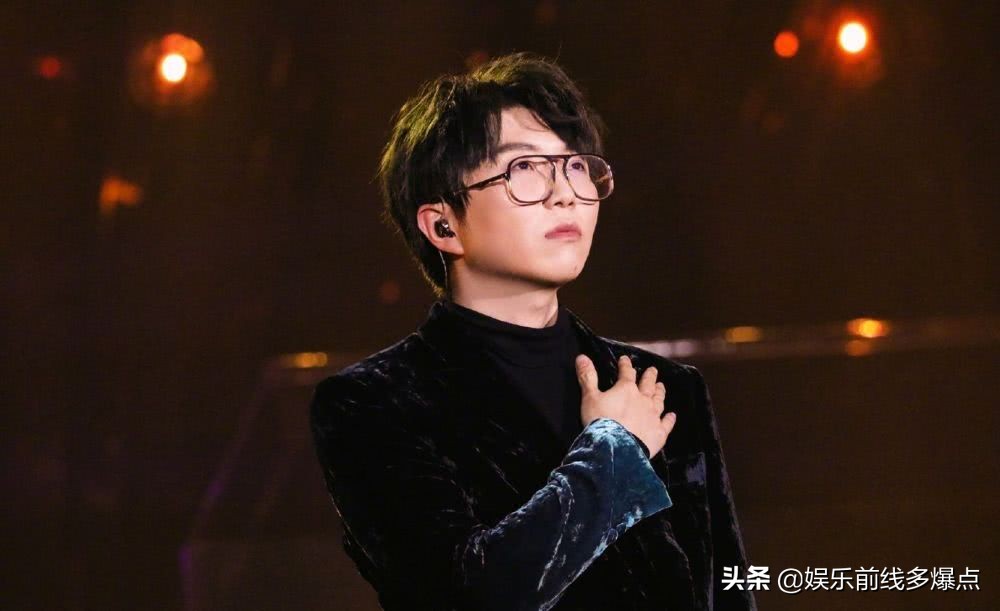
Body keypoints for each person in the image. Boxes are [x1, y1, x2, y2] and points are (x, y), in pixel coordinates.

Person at [310, 51, 755, 611]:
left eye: (575, 166)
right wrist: (612, 452)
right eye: (525, 168)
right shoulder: (372, 403)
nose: (565, 192)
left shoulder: (665, 388)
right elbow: (466, 596)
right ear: (443, 225)